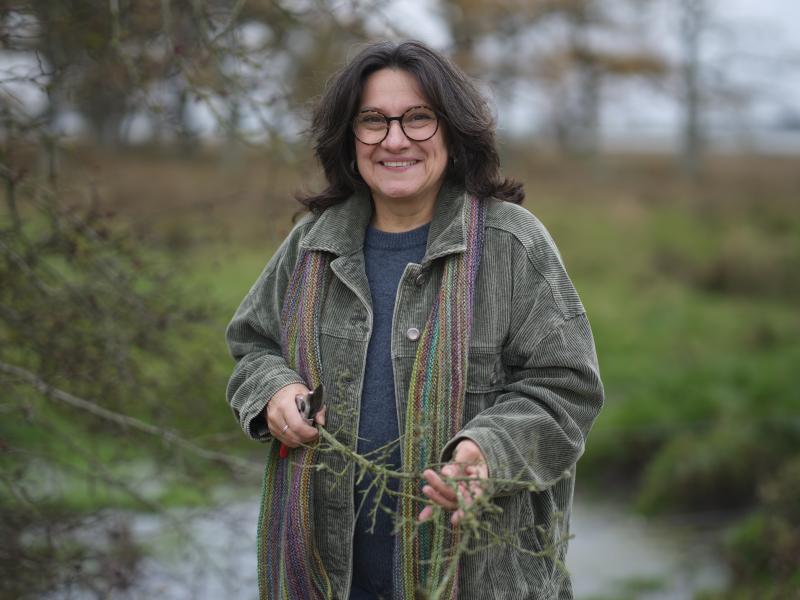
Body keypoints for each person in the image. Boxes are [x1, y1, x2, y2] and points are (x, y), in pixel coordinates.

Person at [226, 40, 603, 600]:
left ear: (453, 131)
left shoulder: (511, 243)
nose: (395, 139)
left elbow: (567, 389)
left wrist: (485, 453)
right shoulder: (311, 244)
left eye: (418, 118)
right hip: (325, 581)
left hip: (479, 581)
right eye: (372, 120)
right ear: (349, 137)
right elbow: (253, 345)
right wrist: (275, 390)